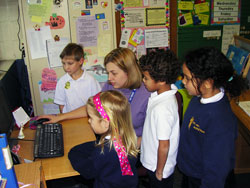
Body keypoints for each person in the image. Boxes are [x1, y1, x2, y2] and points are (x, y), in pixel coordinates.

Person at [40, 47, 150, 147]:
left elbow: (151, 138)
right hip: (109, 142)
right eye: (108, 73)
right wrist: (60, 117)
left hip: (131, 149)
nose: (109, 78)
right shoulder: (111, 85)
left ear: (129, 72)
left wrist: (125, 147)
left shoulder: (147, 95)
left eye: (114, 73)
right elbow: (92, 107)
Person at [177, 47, 249, 188]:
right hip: (191, 171)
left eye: (187, 78)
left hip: (206, 179)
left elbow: (217, 168)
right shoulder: (197, 98)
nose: (183, 82)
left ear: (208, 83)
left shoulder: (221, 121)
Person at [68, 90, 139, 188]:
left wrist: (72, 153)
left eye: (91, 118)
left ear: (105, 123)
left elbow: (88, 172)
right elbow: (97, 146)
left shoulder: (103, 152)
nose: (89, 121)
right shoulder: (127, 139)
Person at [139, 49, 181, 188]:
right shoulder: (163, 95)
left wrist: (159, 170)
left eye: (146, 78)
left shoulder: (162, 109)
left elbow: (164, 145)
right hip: (154, 161)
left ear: (162, 80)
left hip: (158, 166)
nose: (143, 81)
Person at [54, 43, 101, 113]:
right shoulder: (62, 81)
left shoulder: (91, 81)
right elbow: (61, 105)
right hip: (69, 118)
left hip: (87, 117)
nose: (66, 67)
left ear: (81, 61)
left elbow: (97, 104)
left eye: (70, 63)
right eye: (64, 63)